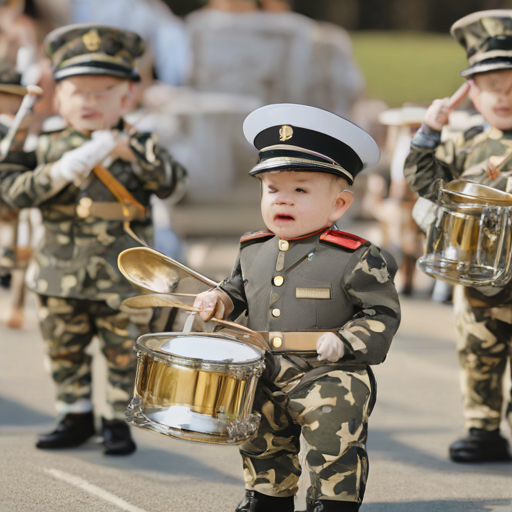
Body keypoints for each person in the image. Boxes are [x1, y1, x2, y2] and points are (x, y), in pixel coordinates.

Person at [194, 104, 401, 512]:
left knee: (332, 438)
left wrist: (346, 341)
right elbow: (239, 288)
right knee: (261, 435)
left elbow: (382, 314)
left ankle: (332, 501)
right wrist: (217, 299)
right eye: (272, 189)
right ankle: (268, 496)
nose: (282, 200)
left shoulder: (354, 257)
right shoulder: (253, 248)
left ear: (339, 205)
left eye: (300, 190)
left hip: (328, 371)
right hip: (265, 366)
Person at [0, 23, 187, 455]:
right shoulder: (47, 146)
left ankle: (117, 421)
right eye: (77, 91)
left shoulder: (142, 143)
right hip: (59, 271)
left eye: (102, 91)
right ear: (58, 96)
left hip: (124, 273)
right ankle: (74, 413)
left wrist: (131, 155)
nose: (89, 101)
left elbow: (174, 184)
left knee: (124, 351)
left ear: (128, 97)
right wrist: (62, 168)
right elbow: (11, 191)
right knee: (64, 348)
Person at [404, 10, 512, 463]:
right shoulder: (463, 142)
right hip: (479, 276)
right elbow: (422, 179)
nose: (504, 98)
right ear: (472, 92)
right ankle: (483, 428)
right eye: (493, 89)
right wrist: (429, 131)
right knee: (477, 353)